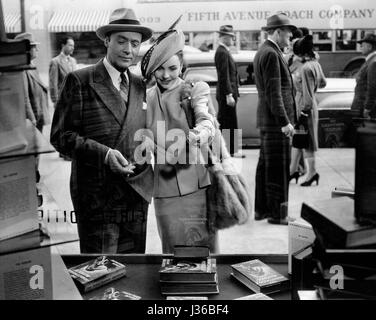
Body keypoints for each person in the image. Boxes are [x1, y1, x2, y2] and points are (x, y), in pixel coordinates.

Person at [50, 8, 154, 254]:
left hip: (136, 192)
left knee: (133, 270)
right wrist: (105, 154)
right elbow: (61, 137)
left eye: (135, 43)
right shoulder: (80, 80)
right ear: (107, 40)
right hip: (97, 196)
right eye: (121, 41)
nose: (129, 49)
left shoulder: (140, 84)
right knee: (100, 272)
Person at [141, 28, 223, 254]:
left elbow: (207, 123)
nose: (166, 75)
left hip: (196, 184)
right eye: (160, 69)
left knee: (203, 248)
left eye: (172, 68)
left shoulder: (195, 89)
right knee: (171, 248)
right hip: (164, 188)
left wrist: (191, 138)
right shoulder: (145, 98)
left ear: (182, 67)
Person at [253, 13, 297, 225]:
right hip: (275, 123)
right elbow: (274, 93)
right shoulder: (271, 54)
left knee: (265, 168)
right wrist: (285, 123)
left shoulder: (264, 51)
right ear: (278, 31)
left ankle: (261, 210)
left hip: (267, 122)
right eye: (288, 33)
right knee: (279, 170)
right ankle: (278, 215)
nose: (290, 37)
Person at [289, 35, 327, 187]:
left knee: (307, 142)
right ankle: (293, 171)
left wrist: (303, 112)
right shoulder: (315, 64)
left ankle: (312, 173)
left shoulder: (305, 69)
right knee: (299, 140)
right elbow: (323, 83)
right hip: (311, 107)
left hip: (305, 107)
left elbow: (307, 95)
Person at [214, 25, 244, 158]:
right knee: (228, 121)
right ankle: (229, 151)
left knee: (228, 121)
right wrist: (229, 94)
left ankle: (227, 150)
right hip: (227, 94)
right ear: (225, 37)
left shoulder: (223, 51)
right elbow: (224, 75)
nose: (233, 39)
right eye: (231, 37)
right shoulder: (222, 52)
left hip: (227, 93)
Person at [15, 32, 50, 134]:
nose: (37, 50)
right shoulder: (22, 69)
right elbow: (24, 97)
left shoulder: (31, 66)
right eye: (34, 47)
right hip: (33, 118)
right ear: (26, 50)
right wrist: (31, 119)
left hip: (38, 115)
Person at [350, 33, 376, 119]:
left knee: (365, 131)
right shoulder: (370, 60)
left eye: (362, 45)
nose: (360, 47)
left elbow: (372, 87)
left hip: (363, 108)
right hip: (361, 107)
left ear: (370, 47)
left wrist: (367, 108)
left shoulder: (373, 62)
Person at [49, 36, 77, 106]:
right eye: (70, 45)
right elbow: (53, 84)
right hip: (62, 100)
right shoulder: (55, 62)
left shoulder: (73, 61)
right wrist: (55, 101)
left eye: (73, 46)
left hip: (74, 100)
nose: (72, 48)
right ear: (63, 45)